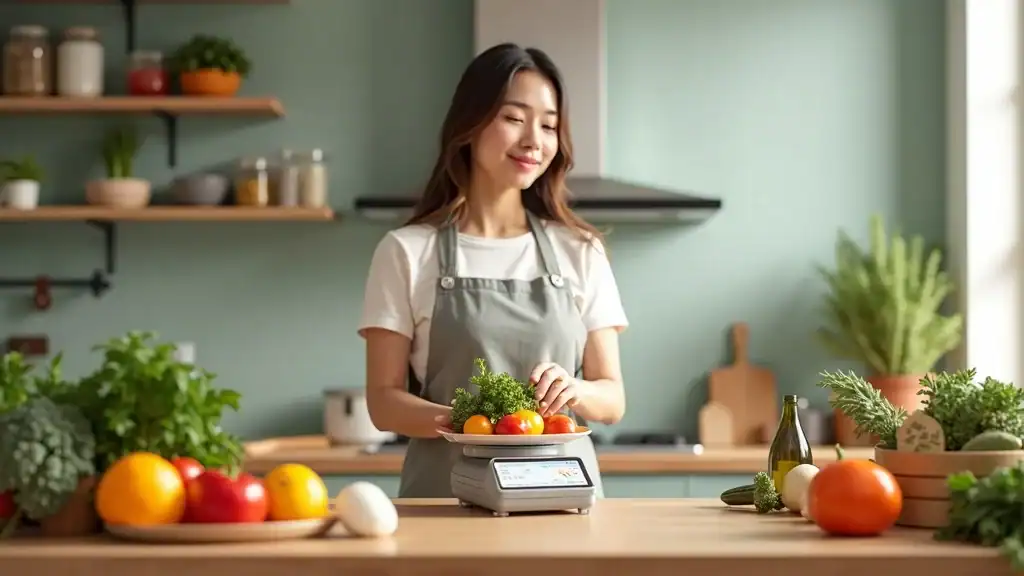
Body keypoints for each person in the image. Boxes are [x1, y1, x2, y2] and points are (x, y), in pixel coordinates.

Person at [358, 42, 629, 499]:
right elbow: (383, 403)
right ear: (470, 123)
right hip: (445, 504)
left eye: (549, 125)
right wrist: (470, 423)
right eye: (514, 118)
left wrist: (574, 390)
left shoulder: (581, 251)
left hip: (560, 501)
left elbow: (613, 398)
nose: (534, 140)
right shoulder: (406, 252)